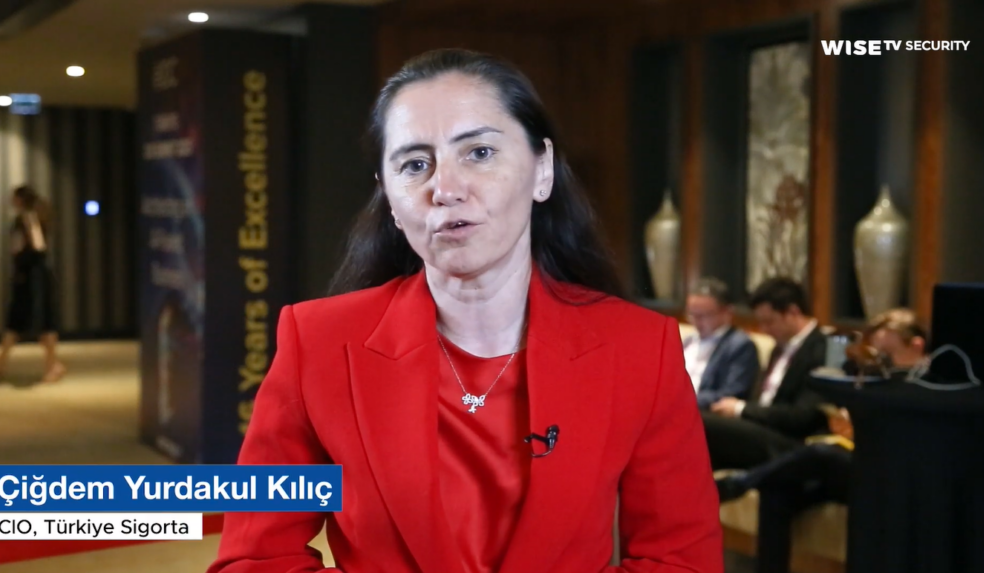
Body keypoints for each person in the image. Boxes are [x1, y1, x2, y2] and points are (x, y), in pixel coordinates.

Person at [208, 49, 722, 573]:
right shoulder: (317, 343)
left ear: (542, 170)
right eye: (415, 165)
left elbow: (681, 560)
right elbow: (256, 557)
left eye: (479, 152)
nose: (446, 190)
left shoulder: (641, 349)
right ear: (389, 197)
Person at [714, 308, 928, 573]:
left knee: (822, 454)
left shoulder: (933, 385)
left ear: (917, 346)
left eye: (888, 355)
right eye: (877, 355)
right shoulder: (882, 378)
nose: (882, 363)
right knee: (778, 489)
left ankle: (741, 482)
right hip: (860, 461)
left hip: (894, 474)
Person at [703, 277, 827, 470]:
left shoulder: (822, 350)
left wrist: (741, 409)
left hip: (789, 440)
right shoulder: (780, 347)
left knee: (698, 420)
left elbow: (802, 416)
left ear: (793, 312)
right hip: (760, 429)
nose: (764, 330)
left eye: (769, 322)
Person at [0, 185, 66, 384]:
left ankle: (49, 366)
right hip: (34, 275)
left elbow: (37, 246)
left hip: (32, 277)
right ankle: (2, 365)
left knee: (32, 319)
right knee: (26, 320)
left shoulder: (27, 218)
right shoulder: (35, 216)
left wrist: (21, 257)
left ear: (20, 199)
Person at [683, 277, 760, 409]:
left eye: (704, 315)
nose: (696, 322)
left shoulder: (740, 346)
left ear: (727, 312)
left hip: (702, 413)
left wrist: (680, 401)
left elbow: (731, 393)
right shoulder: (688, 341)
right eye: (692, 314)